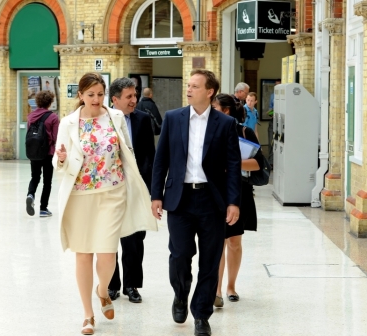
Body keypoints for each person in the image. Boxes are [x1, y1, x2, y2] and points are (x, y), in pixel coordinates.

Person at [52, 72, 157, 335]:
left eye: (100, 94)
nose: (96, 99)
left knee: (108, 252)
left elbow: (127, 152)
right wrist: (62, 158)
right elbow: (59, 164)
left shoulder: (116, 117)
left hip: (113, 191)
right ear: (80, 96)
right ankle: (88, 315)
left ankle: (103, 291)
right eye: (90, 95)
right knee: (84, 254)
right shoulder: (68, 123)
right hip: (80, 195)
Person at [151, 70, 241, 336]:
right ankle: (180, 294)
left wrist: (233, 201)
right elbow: (161, 160)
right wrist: (156, 195)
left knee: (210, 261)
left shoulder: (225, 124)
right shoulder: (173, 118)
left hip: (212, 200)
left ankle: (202, 314)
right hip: (179, 198)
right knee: (180, 255)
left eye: (195, 86)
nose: (188, 90)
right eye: (188, 85)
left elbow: (233, 166)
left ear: (209, 91)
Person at [212, 93, 264, 308]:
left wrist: (233, 163)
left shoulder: (245, 131)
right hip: (215, 192)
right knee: (219, 241)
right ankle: (216, 290)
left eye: (213, 107)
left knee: (234, 242)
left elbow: (258, 163)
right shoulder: (209, 132)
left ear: (225, 111)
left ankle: (231, 286)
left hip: (240, 191)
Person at [107, 78, 155, 304]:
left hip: (137, 187)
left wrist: (149, 187)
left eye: (135, 95)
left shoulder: (143, 119)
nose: (134, 100)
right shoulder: (104, 121)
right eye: (129, 97)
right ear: (115, 99)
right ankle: (112, 284)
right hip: (110, 189)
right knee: (109, 238)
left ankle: (131, 285)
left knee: (135, 238)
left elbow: (150, 155)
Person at [26, 90, 59, 217]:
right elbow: (56, 137)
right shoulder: (53, 117)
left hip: (33, 152)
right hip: (48, 153)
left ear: (38, 102)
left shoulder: (31, 116)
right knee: (47, 181)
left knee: (34, 177)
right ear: (50, 102)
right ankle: (43, 209)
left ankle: (30, 194)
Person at [267, 79, 281, 168]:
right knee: (271, 142)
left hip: (282, 121)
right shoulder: (273, 96)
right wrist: (270, 113)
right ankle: (270, 162)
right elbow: (270, 107)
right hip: (273, 119)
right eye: (275, 85)